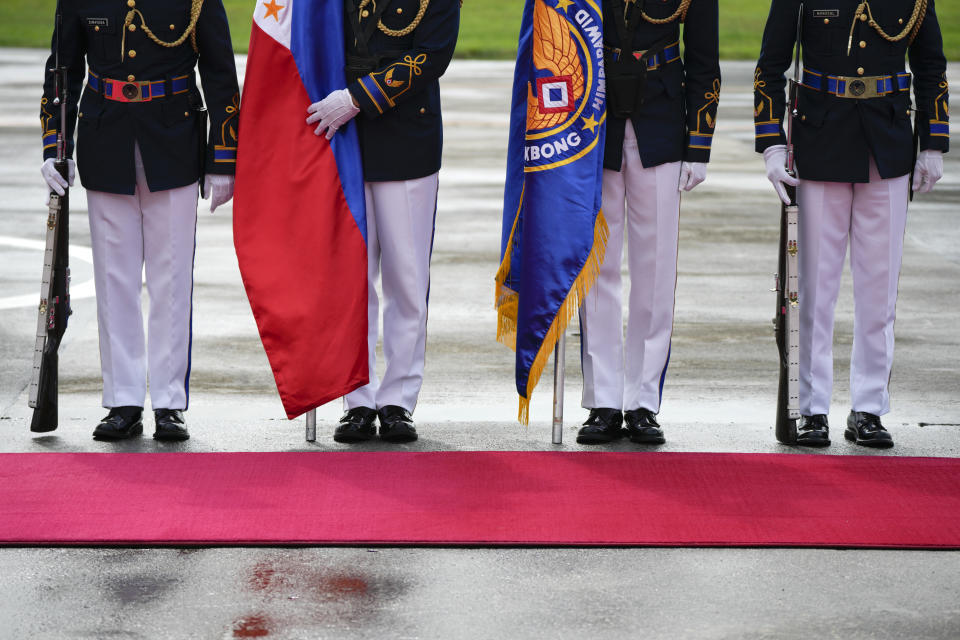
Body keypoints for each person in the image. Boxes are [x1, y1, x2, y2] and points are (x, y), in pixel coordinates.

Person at [39, 0, 240, 441]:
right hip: (104, 138)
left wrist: (223, 157)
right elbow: (63, 72)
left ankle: (169, 402)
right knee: (115, 280)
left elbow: (221, 73)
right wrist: (56, 143)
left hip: (175, 139)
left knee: (171, 280)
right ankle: (124, 400)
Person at [755, 0, 948, 448]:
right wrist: (771, 143)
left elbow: (930, 63)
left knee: (879, 290)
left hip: (889, 140)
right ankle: (812, 409)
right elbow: (771, 64)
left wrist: (933, 142)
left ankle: (868, 408)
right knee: (814, 290)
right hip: (820, 139)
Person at [305, 0, 460, 444]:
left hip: (406, 137)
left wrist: (358, 98)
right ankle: (356, 399)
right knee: (349, 281)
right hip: (341, 139)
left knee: (406, 279)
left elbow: (432, 55)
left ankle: (397, 400)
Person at [576, 0, 720, 445]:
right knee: (597, 270)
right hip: (595, 126)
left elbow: (703, 59)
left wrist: (699, 143)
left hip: (660, 121)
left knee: (655, 270)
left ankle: (642, 402)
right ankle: (603, 399)